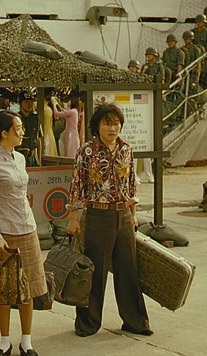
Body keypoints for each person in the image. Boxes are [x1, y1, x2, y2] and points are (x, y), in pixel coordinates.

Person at [66, 103, 152, 337]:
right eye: (107, 123)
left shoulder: (126, 149)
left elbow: (131, 184)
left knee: (128, 269)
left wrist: (133, 215)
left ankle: (135, 321)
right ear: (97, 126)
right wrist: (73, 217)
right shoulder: (87, 151)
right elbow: (76, 184)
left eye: (116, 123)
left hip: (123, 215)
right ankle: (88, 322)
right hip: (97, 215)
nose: (112, 128)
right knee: (95, 271)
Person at [0, 110, 47, 356]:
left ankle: (26, 341)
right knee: (4, 291)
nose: (22, 132)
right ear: (4, 133)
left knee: (29, 289)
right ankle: (3, 341)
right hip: (3, 235)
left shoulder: (21, 158)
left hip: (27, 228)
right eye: (18, 128)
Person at [15, 91, 42, 166]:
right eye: (26, 102)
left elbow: (38, 140)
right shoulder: (15, 118)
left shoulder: (36, 119)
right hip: (19, 156)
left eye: (31, 102)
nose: (29, 104)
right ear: (20, 103)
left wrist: (39, 160)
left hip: (32, 157)